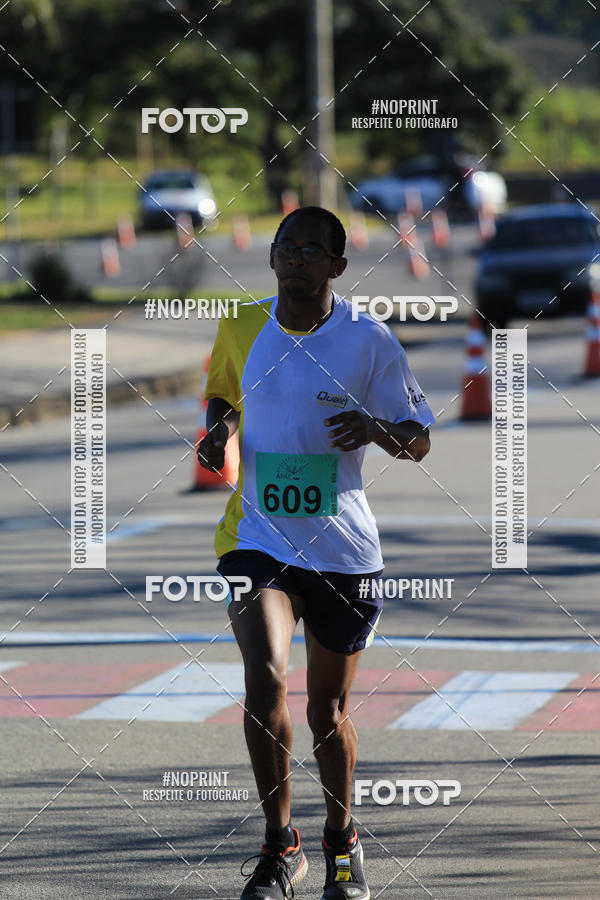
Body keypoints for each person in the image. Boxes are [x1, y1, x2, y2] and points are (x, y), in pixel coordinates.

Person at [197, 206, 433, 900]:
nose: (297, 258)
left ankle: (341, 839)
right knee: (265, 678)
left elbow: (419, 438)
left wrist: (376, 427)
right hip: (257, 538)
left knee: (326, 714)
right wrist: (220, 432)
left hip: (342, 550)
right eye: (287, 247)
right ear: (272, 257)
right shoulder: (241, 325)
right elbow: (223, 395)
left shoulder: (369, 340)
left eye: (312, 250)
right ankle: (280, 846)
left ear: (337, 265)